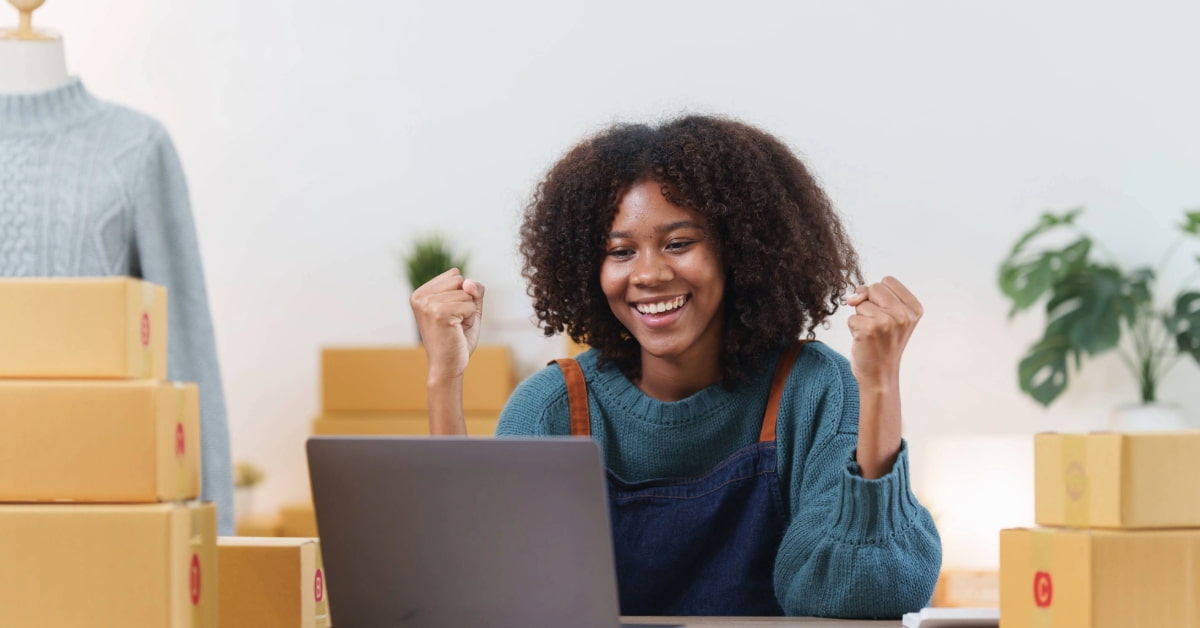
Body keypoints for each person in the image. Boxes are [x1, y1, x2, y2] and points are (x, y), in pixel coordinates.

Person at [410, 114, 942, 618]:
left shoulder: (810, 389)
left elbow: (860, 595)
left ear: (739, 250)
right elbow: (476, 597)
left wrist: (879, 388)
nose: (648, 274)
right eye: (620, 252)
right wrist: (444, 379)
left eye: (679, 243)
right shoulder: (554, 407)